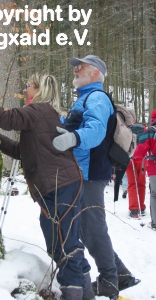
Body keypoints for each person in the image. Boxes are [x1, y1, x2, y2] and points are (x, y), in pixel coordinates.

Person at [0, 74, 96, 300]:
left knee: (64, 243)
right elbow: (22, 151)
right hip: (60, 186)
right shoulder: (45, 115)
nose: (24, 90)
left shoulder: (39, 111)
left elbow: (7, 118)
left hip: (61, 186)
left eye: (28, 86)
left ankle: (73, 293)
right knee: (59, 242)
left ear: (40, 89)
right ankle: (86, 292)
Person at [52, 55, 139, 299]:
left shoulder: (97, 98)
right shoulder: (84, 99)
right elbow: (74, 124)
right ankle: (120, 273)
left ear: (95, 74)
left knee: (92, 227)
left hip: (90, 171)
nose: (76, 70)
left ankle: (110, 280)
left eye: (81, 67)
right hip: (83, 170)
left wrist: (73, 138)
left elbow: (95, 131)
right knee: (88, 228)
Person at [133, 109, 156, 230]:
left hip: (154, 168)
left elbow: (141, 147)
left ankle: (155, 223)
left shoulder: (151, 131)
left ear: (152, 120)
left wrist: (135, 157)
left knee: (154, 194)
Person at [126, 123, 146, 219]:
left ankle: (134, 209)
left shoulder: (126, 130)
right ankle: (141, 206)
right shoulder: (144, 129)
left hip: (130, 159)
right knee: (141, 183)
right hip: (142, 159)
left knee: (132, 184)